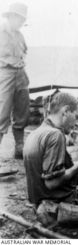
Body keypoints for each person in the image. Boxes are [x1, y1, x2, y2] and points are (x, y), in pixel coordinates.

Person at [0, 2, 29, 159]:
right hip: (4, 74)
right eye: (20, 19)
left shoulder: (20, 35)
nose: (22, 23)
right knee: (2, 113)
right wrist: (10, 61)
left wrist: (21, 61)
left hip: (21, 75)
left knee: (22, 110)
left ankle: (19, 147)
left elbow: (24, 51)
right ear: (12, 17)